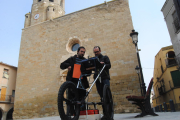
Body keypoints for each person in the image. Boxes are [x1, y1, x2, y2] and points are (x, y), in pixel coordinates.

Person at [60, 46, 89, 113]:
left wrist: (86, 71)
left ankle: (81, 113)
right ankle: (71, 115)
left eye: (84, 52)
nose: (83, 53)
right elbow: (62, 65)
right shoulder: (72, 59)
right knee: (71, 99)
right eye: (81, 51)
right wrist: (68, 65)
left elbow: (88, 72)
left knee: (81, 99)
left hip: (81, 82)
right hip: (72, 82)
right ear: (78, 51)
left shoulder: (85, 60)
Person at [93, 46, 111, 120]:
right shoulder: (94, 59)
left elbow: (109, 65)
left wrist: (103, 64)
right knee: (102, 97)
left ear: (100, 51)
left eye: (97, 52)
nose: (96, 53)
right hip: (97, 79)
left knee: (107, 95)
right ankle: (105, 114)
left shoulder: (105, 57)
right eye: (95, 52)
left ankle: (109, 114)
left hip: (104, 78)